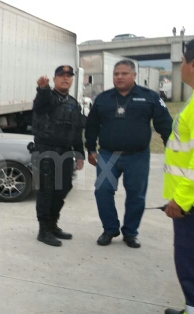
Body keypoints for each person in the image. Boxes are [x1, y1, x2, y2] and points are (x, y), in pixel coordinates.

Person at [85, 59, 173, 248]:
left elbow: (165, 124)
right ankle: (110, 229)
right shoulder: (103, 98)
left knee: (137, 196)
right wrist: (90, 149)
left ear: (134, 75)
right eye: (116, 74)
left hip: (138, 156)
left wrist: (171, 149)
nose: (120, 77)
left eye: (124, 73)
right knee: (102, 191)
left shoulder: (149, 97)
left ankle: (130, 233)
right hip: (109, 155)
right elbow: (91, 125)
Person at [30, 65, 86, 247]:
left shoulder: (73, 103)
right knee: (46, 191)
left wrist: (79, 154)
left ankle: (53, 225)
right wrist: (42, 89)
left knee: (63, 188)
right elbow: (40, 104)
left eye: (69, 76)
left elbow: (77, 131)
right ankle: (43, 230)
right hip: (46, 151)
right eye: (61, 75)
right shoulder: (47, 98)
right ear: (54, 79)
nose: (65, 78)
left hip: (66, 152)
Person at [164, 39, 194, 314]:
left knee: (189, 259)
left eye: (183, 61)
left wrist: (181, 200)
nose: (181, 67)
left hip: (190, 202)